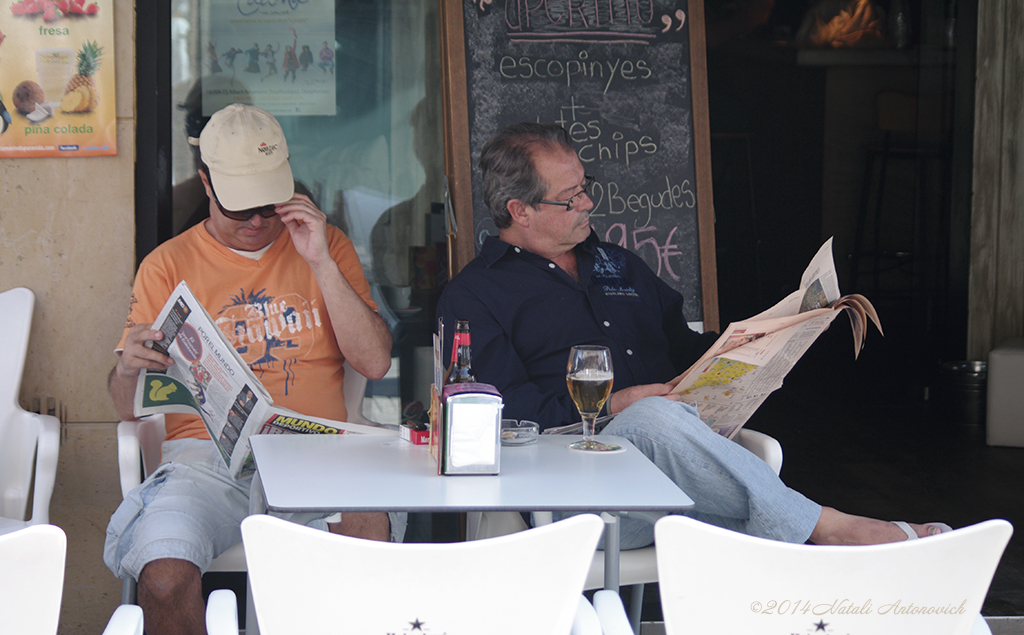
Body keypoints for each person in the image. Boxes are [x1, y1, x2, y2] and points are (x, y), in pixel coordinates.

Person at [437, 122, 949, 549]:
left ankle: (846, 563)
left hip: (668, 483)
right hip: (570, 490)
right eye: (570, 198)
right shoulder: (474, 296)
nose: (589, 202)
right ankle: (831, 529)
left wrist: (753, 343)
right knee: (652, 416)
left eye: (586, 185)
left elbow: (682, 348)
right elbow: (500, 417)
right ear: (519, 210)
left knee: (682, 445)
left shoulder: (619, 264)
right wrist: (620, 403)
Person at [105, 104, 401, 635]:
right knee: (164, 578)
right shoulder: (167, 265)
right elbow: (127, 409)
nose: (259, 221)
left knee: (366, 539)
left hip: (318, 453)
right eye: (241, 209)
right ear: (206, 185)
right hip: (206, 462)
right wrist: (129, 369)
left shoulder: (326, 246)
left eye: (269, 203)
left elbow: (375, 362)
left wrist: (320, 264)